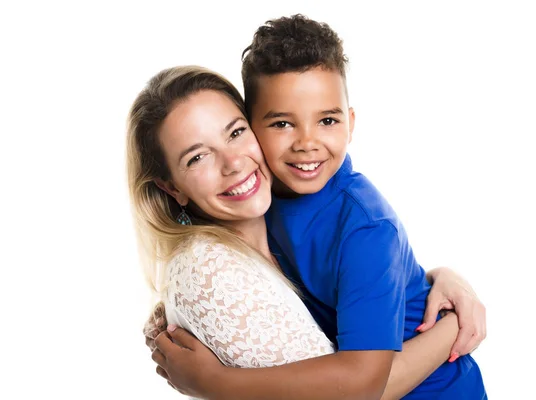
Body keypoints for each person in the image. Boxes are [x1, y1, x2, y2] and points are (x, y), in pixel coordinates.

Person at [145, 15, 486, 399]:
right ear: (254, 126)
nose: (307, 143)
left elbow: (363, 384)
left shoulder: (364, 227)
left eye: (326, 120)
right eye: (281, 124)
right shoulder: (258, 200)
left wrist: (214, 383)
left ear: (350, 123)